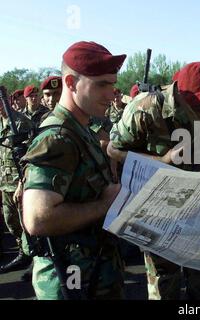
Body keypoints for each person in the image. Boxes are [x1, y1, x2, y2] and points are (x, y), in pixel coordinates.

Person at [108, 61, 200, 300]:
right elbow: (114, 149)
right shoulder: (147, 108)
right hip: (158, 208)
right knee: (163, 282)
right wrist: (163, 159)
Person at [21, 41, 126, 300]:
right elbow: (38, 218)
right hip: (71, 283)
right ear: (70, 83)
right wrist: (105, 205)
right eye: (101, 84)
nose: (111, 93)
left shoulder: (81, 130)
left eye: (112, 84)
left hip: (93, 274)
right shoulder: (58, 137)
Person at [0, 92, 34, 275]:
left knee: (28, 223)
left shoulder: (21, 123)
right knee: (11, 222)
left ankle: (36, 257)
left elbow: (31, 156)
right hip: (4, 184)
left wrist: (23, 183)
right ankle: (24, 252)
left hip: (20, 183)